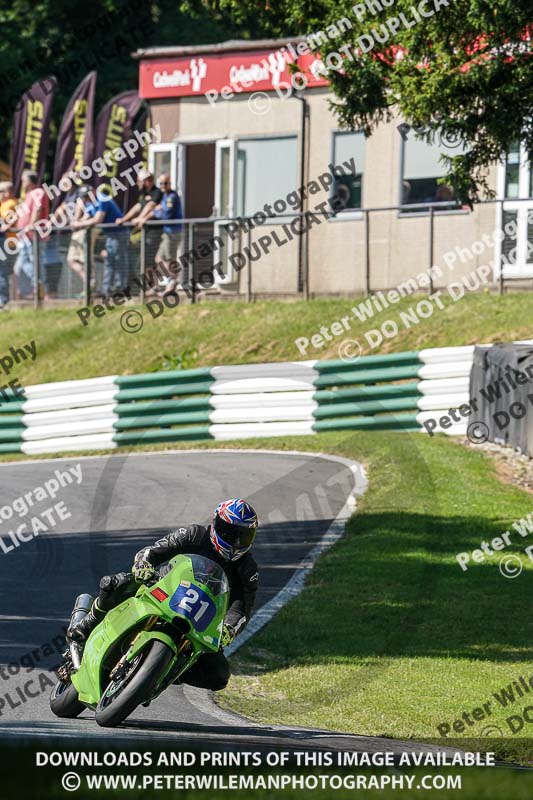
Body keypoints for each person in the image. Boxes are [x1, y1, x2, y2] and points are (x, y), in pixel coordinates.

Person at [69, 499, 259, 691]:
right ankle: (87, 623)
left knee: (219, 676)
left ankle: (166, 671)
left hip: (201, 618)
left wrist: (228, 629)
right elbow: (153, 551)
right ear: (215, 523)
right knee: (115, 584)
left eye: (243, 537)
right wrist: (144, 565)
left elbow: (242, 608)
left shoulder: (247, 569)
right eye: (229, 532)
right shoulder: (194, 534)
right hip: (162, 587)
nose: (235, 542)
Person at [72, 186, 129, 297]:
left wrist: (78, 224)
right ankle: (106, 289)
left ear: (93, 192)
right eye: (84, 197)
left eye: (87, 196)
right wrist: (76, 221)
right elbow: (86, 218)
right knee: (110, 262)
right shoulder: (90, 203)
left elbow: (98, 219)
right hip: (110, 235)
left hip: (119, 233)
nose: (86, 199)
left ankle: (120, 288)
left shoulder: (102, 199)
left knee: (119, 261)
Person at [117, 169, 162, 285]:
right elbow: (138, 207)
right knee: (144, 261)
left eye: (139, 181)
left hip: (155, 232)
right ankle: (152, 286)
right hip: (145, 232)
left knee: (149, 259)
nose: (138, 183)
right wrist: (124, 219)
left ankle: (155, 286)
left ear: (147, 181)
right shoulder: (143, 193)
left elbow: (151, 206)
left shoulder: (157, 192)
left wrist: (140, 218)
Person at [14, 170, 50, 300]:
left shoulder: (38, 192)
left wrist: (31, 225)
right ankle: (35, 288)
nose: (21, 182)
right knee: (18, 267)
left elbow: (38, 208)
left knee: (35, 262)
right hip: (25, 238)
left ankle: (39, 288)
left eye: (23, 180)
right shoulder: (28, 195)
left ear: (30, 181)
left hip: (34, 237)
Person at [150, 173, 183, 296]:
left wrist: (157, 211)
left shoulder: (172, 197)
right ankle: (172, 280)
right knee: (159, 259)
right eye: (161, 183)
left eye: (165, 183)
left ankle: (172, 282)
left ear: (170, 184)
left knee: (169, 259)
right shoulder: (164, 196)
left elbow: (165, 215)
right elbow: (160, 212)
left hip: (173, 233)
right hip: (167, 232)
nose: (163, 186)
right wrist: (158, 210)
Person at [0, 182, 18, 308]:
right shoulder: (3, 204)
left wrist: (6, 226)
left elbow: (11, 219)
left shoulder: (11, 203)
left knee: (5, 272)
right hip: (7, 241)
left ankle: (4, 300)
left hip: (8, 242)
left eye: (1, 191)